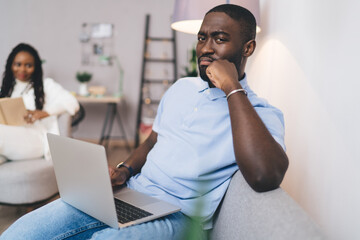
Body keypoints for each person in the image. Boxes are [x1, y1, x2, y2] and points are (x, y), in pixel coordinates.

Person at [0, 4, 288, 240]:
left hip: (180, 215)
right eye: (202, 38)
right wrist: (124, 170)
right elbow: (152, 140)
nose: (206, 49)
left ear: (248, 48)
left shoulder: (260, 112)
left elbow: (265, 176)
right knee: (24, 231)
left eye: (220, 39)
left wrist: (232, 88)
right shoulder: (181, 89)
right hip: (131, 192)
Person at [0, 43, 79, 162]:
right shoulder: (7, 89)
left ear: (35, 67)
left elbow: (73, 103)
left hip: (36, 138)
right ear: (11, 65)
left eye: (28, 65)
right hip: (9, 136)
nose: (22, 69)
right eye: (18, 64)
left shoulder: (47, 85)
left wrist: (43, 113)